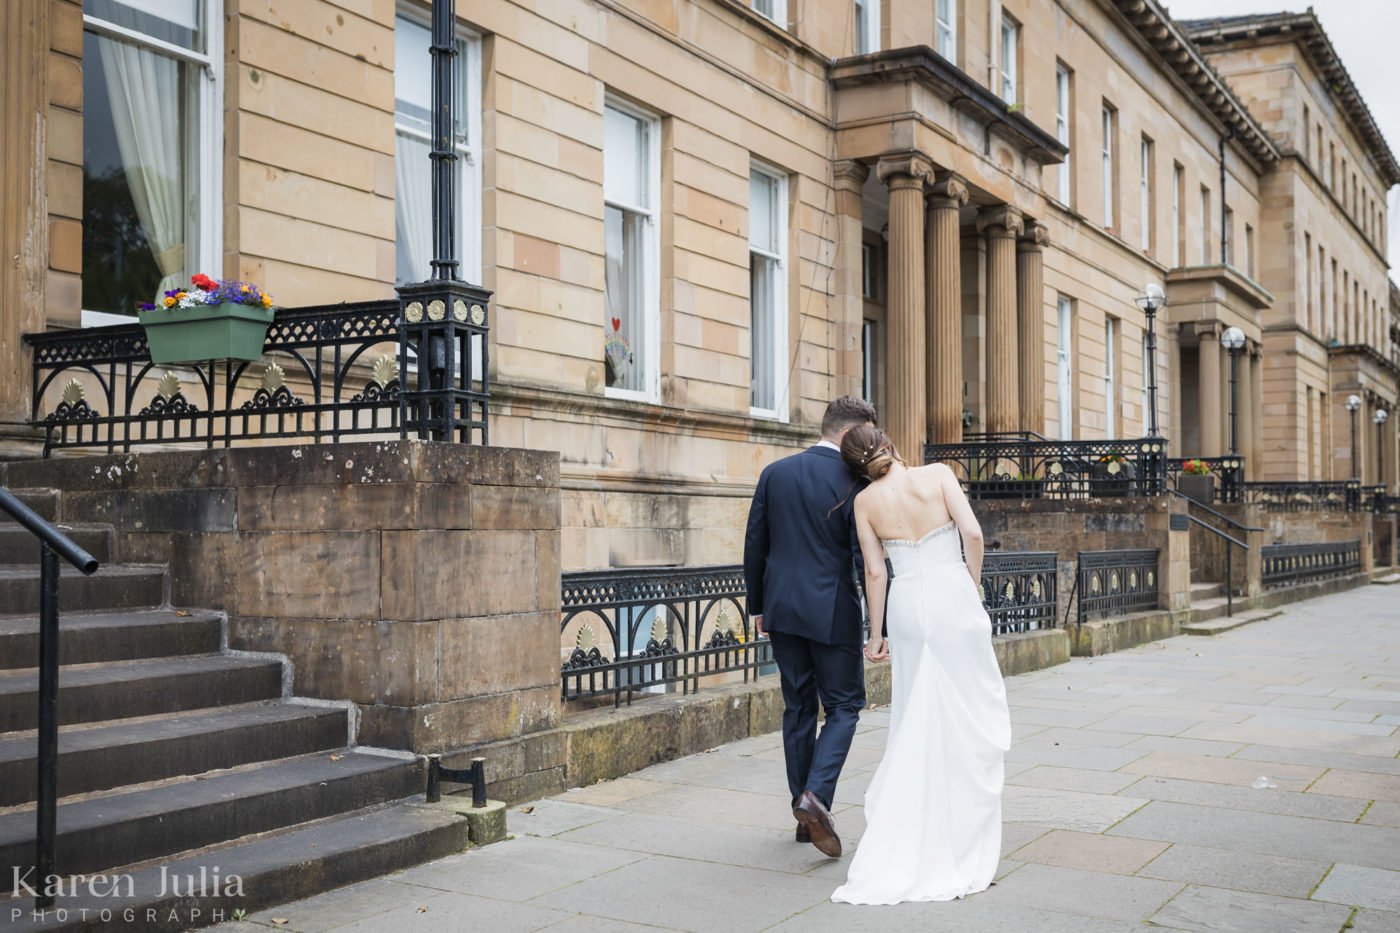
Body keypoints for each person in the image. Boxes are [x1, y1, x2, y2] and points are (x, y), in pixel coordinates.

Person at [830, 425, 1012, 905]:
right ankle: (962, 816)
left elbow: (874, 571)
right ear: (891, 442)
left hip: (908, 604)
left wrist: (876, 634)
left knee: (914, 713)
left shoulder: (864, 504)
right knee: (971, 706)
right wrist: (971, 586)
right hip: (952, 594)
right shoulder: (937, 474)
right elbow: (971, 532)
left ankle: (913, 821)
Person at [743, 395, 877, 858]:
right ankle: (815, 797)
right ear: (848, 433)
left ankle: (804, 816)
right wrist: (879, 622)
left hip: (781, 610)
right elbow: (864, 558)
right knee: (844, 706)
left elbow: (755, 544)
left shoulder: (774, 473)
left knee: (798, 707)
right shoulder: (855, 479)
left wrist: (758, 606)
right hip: (832, 610)